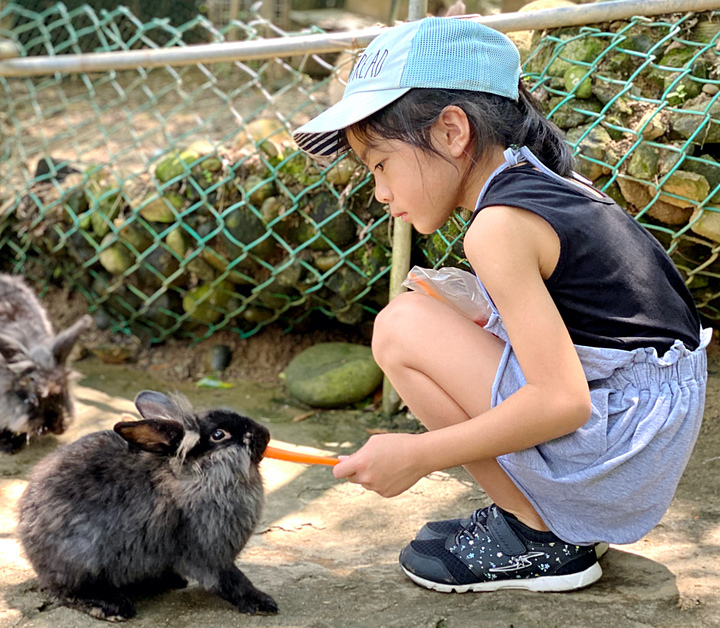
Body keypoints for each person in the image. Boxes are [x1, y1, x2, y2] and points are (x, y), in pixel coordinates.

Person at [294, 17, 708, 593]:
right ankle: (555, 522)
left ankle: (538, 537)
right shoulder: (548, 184)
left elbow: (561, 403)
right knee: (427, 314)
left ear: (451, 132)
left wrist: (418, 454)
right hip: (641, 429)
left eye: (381, 164)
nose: (380, 192)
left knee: (401, 328)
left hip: (621, 446)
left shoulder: (497, 227)